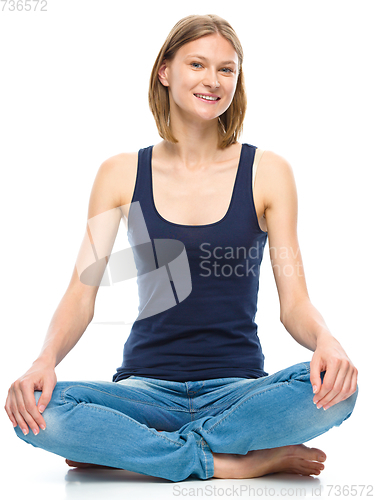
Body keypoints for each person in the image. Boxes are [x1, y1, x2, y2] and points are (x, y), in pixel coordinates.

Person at [5, 14, 358, 483]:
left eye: (226, 69)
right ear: (165, 71)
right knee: (38, 409)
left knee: (341, 391)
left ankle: (132, 450)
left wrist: (327, 342)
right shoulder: (120, 172)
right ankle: (238, 461)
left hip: (238, 393)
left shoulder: (267, 172)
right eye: (197, 64)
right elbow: (81, 293)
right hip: (144, 391)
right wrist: (43, 361)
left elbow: (294, 304)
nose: (213, 80)